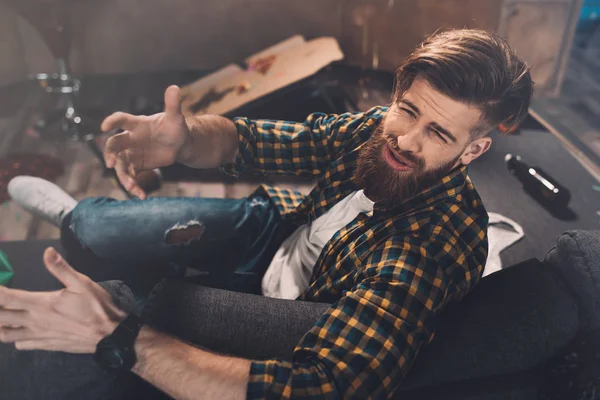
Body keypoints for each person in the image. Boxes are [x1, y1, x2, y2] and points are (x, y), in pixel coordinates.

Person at [1, 29, 533, 399]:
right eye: (407, 110)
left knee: (125, 300)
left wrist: (124, 340)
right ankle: (76, 216)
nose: (404, 140)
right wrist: (185, 140)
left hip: (296, 308)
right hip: (276, 228)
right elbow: (253, 142)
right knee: (93, 227)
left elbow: (324, 387)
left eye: (438, 134)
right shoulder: (380, 127)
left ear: (472, 151)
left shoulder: (426, 249)